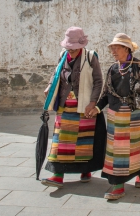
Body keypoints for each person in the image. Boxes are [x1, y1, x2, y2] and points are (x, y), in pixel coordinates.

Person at [88, 33, 140, 200]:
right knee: (117, 152)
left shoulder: (139, 66)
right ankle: (118, 184)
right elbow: (106, 93)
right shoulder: (113, 69)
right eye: (112, 48)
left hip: (137, 114)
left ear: (127, 49)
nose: (113, 51)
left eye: (117, 47)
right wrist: (97, 108)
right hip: (116, 116)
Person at [42, 27, 106, 189]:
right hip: (65, 107)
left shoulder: (90, 57)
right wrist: (50, 86)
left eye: (73, 48)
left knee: (84, 141)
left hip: (84, 107)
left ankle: (86, 170)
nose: (70, 51)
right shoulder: (63, 56)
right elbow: (56, 74)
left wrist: (93, 102)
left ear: (81, 46)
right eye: (68, 48)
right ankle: (57, 175)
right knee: (61, 141)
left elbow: (98, 81)